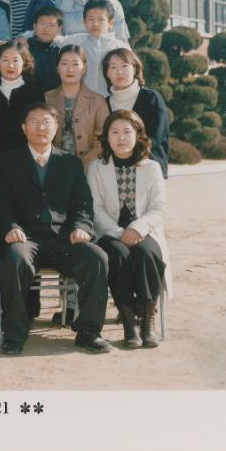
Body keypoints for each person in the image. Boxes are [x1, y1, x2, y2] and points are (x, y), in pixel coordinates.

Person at [0, 102, 111, 355]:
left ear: (56, 127)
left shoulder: (70, 162)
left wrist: (81, 227)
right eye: (34, 122)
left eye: (46, 122)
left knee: (97, 257)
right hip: (25, 239)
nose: (40, 128)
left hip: (62, 239)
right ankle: (15, 333)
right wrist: (10, 227)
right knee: (15, 258)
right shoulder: (7, 161)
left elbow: (83, 204)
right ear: (23, 127)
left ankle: (89, 332)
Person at [87, 109, 171, 348]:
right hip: (108, 232)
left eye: (127, 131)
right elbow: (95, 209)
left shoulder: (152, 167)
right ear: (106, 137)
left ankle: (147, 321)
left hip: (143, 231)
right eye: (114, 132)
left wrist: (137, 228)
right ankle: (128, 323)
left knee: (147, 253)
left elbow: (158, 207)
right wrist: (119, 233)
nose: (121, 137)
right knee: (118, 254)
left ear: (138, 135)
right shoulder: (96, 167)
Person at [0, 40, 45, 167]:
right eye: (5, 60)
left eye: (15, 60)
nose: (10, 65)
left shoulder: (35, 95)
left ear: (24, 64)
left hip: (27, 166)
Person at [102, 47, 170, 179]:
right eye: (113, 67)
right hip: (113, 171)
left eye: (125, 66)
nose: (119, 72)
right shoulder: (104, 103)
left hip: (147, 169)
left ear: (135, 69)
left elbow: (157, 136)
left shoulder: (151, 98)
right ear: (107, 73)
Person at [45, 45, 109, 168]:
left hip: (89, 167)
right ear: (58, 68)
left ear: (84, 68)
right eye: (64, 64)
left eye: (75, 64)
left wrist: (82, 164)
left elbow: (104, 138)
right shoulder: (47, 99)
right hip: (54, 167)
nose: (70, 69)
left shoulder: (97, 101)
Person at [53, 0, 130, 97]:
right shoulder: (76, 41)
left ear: (110, 23)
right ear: (84, 22)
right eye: (90, 19)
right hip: (81, 99)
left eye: (100, 19)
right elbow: (52, 38)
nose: (95, 24)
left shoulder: (121, 48)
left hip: (111, 100)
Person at [27, 6, 64, 92]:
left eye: (51, 25)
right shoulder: (25, 50)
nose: (46, 29)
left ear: (59, 28)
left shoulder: (60, 51)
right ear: (35, 26)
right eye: (42, 24)